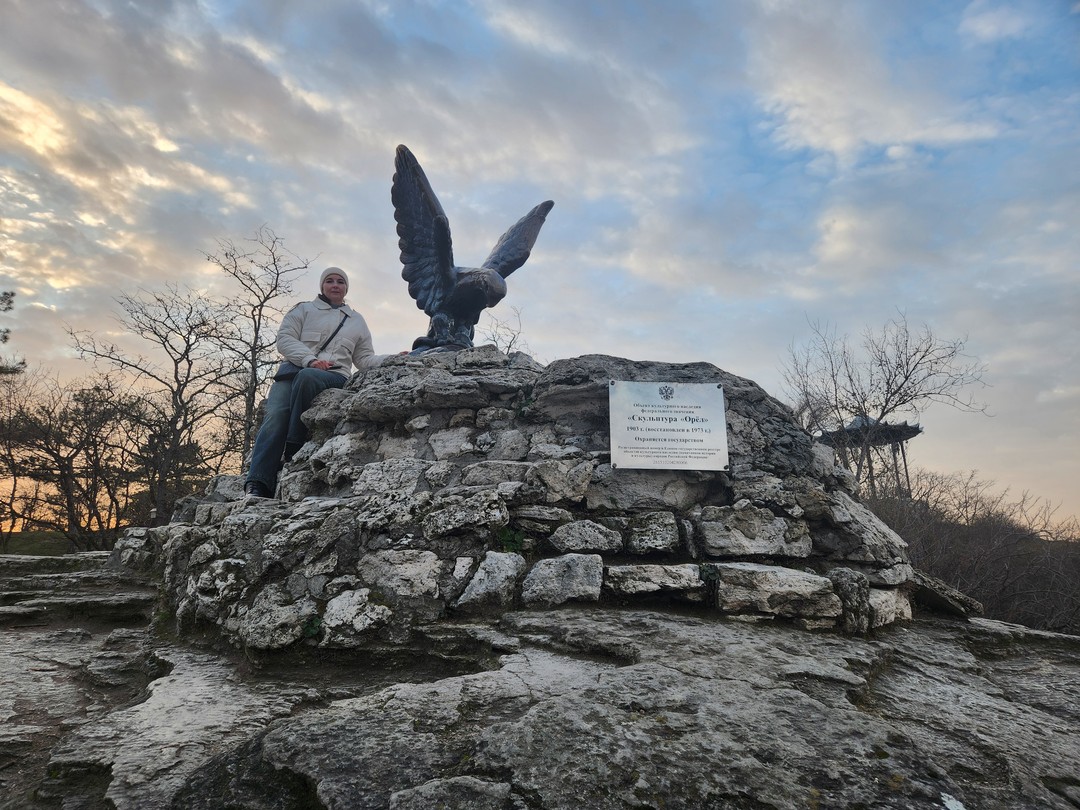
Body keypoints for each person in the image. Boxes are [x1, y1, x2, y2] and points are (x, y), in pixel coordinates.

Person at [244, 267, 385, 497]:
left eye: (340, 281)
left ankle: (293, 445)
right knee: (276, 416)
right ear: (322, 286)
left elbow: (364, 358)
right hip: (293, 372)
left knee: (308, 377)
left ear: (346, 288)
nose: (335, 285)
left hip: (333, 376)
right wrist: (310, 359)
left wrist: (392, 359)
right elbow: (285, 339)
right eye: (330, 281)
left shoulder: (356, 321)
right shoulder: (303, 310)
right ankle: (258, 483)